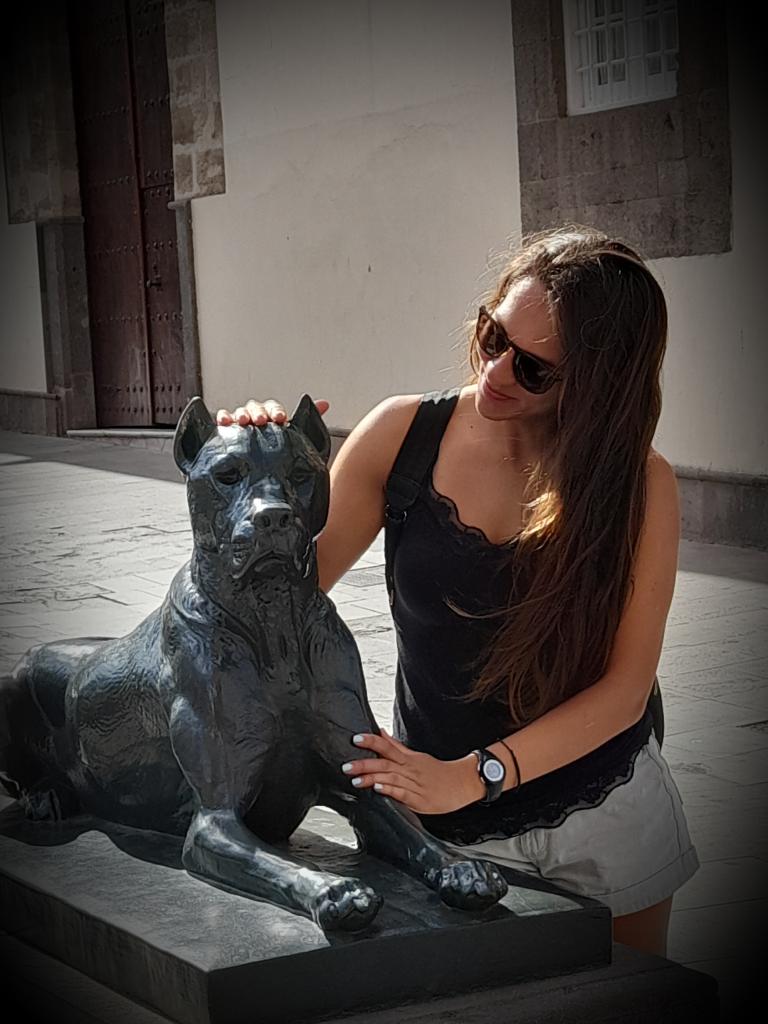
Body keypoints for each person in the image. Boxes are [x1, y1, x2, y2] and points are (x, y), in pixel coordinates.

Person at [217, 225, 699, 957]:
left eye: (534, 368)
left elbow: (625, 692)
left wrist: (477, 775)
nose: (497, 371)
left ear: (596, 385)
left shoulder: (641, 483)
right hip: (446, 832)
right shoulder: (403, 435)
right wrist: (257, 468)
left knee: (636, 999)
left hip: (606, 816)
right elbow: (276, 598)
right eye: (492, 335)